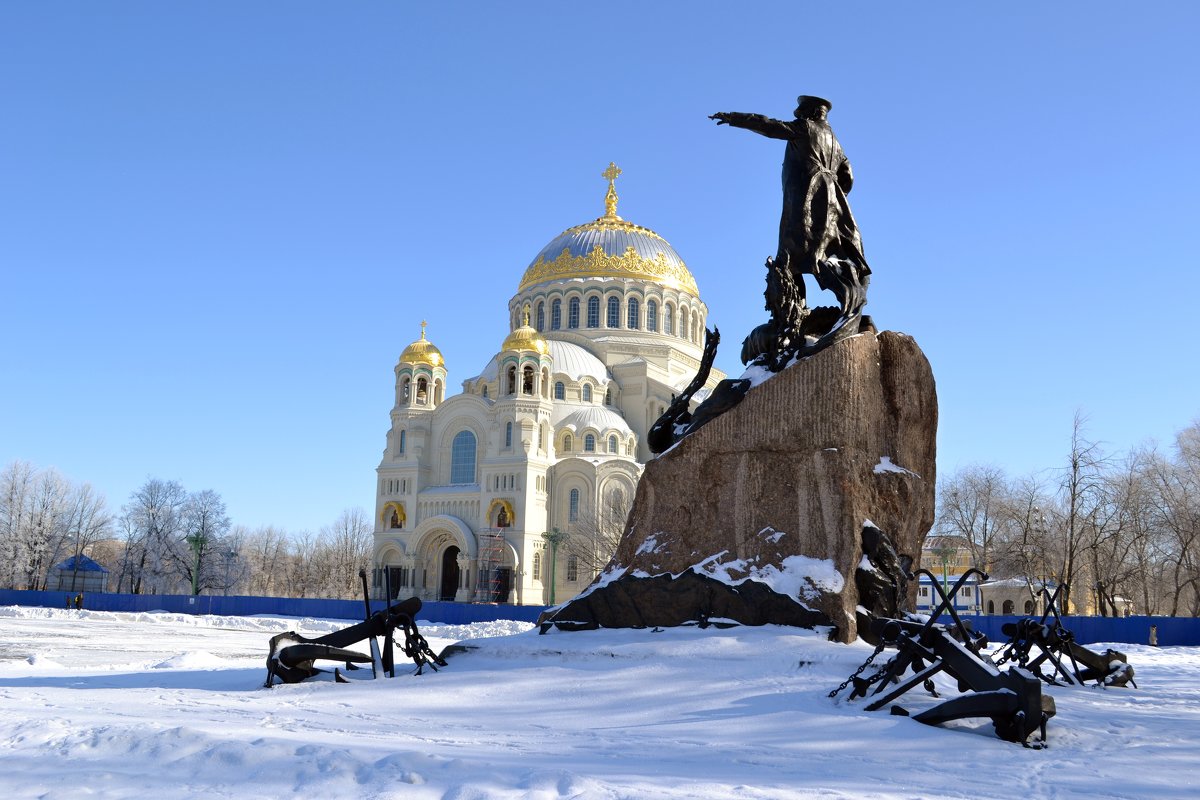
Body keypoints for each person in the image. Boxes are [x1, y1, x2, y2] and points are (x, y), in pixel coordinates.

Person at [711, 96, 870, 317]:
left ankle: (793, 315)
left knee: (789, 259)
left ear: (811, 113)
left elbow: (769, 126)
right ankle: (833, 305)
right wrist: (832, 189)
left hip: (804, 200)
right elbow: (848, 177)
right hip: (832, 202)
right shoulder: (835, 142)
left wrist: (733, 118)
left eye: (802, 111)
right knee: (814, 253)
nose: (799, 114)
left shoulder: (805, 127)